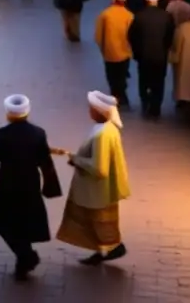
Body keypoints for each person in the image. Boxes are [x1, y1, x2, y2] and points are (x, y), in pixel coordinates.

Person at [0, 94, 63, 281]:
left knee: (3, 221)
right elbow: (44, 160)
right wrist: (50, 184)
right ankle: (24, 260)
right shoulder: (38, 133)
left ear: (9, 114)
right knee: (24, 220)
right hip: (30, 183)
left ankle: (25, 256)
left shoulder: (0, 134)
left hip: (7, 184)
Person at [56, 91, 131, 265]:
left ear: (99, 111)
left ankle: (113, 247)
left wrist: (76, 159)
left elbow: (100, 168)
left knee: (98, 222)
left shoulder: (102, 135)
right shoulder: (108, 129)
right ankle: (102, 249)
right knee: (98, 223)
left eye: (91, 108)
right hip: (100, 190)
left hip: (96, 190)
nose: (89, 111)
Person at [129, 0, 175, 118]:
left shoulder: (139, 16)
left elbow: (132, 36)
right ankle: (156, 107)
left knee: (143, 80)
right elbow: (170, 36)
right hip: (160, 55)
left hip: (143, 56)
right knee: (159, 81)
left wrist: (136, 52)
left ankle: (145, 102)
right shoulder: (167, 16)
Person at [95, 0, 134, 107]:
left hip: (109, 52)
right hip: (125, 52)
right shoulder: (129, 15)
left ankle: (115, 94)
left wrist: (103, 48)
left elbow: (98, 35)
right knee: (122, 74)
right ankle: (122, 95)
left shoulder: (105, 14)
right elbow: (132, 35)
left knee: (111, 75)